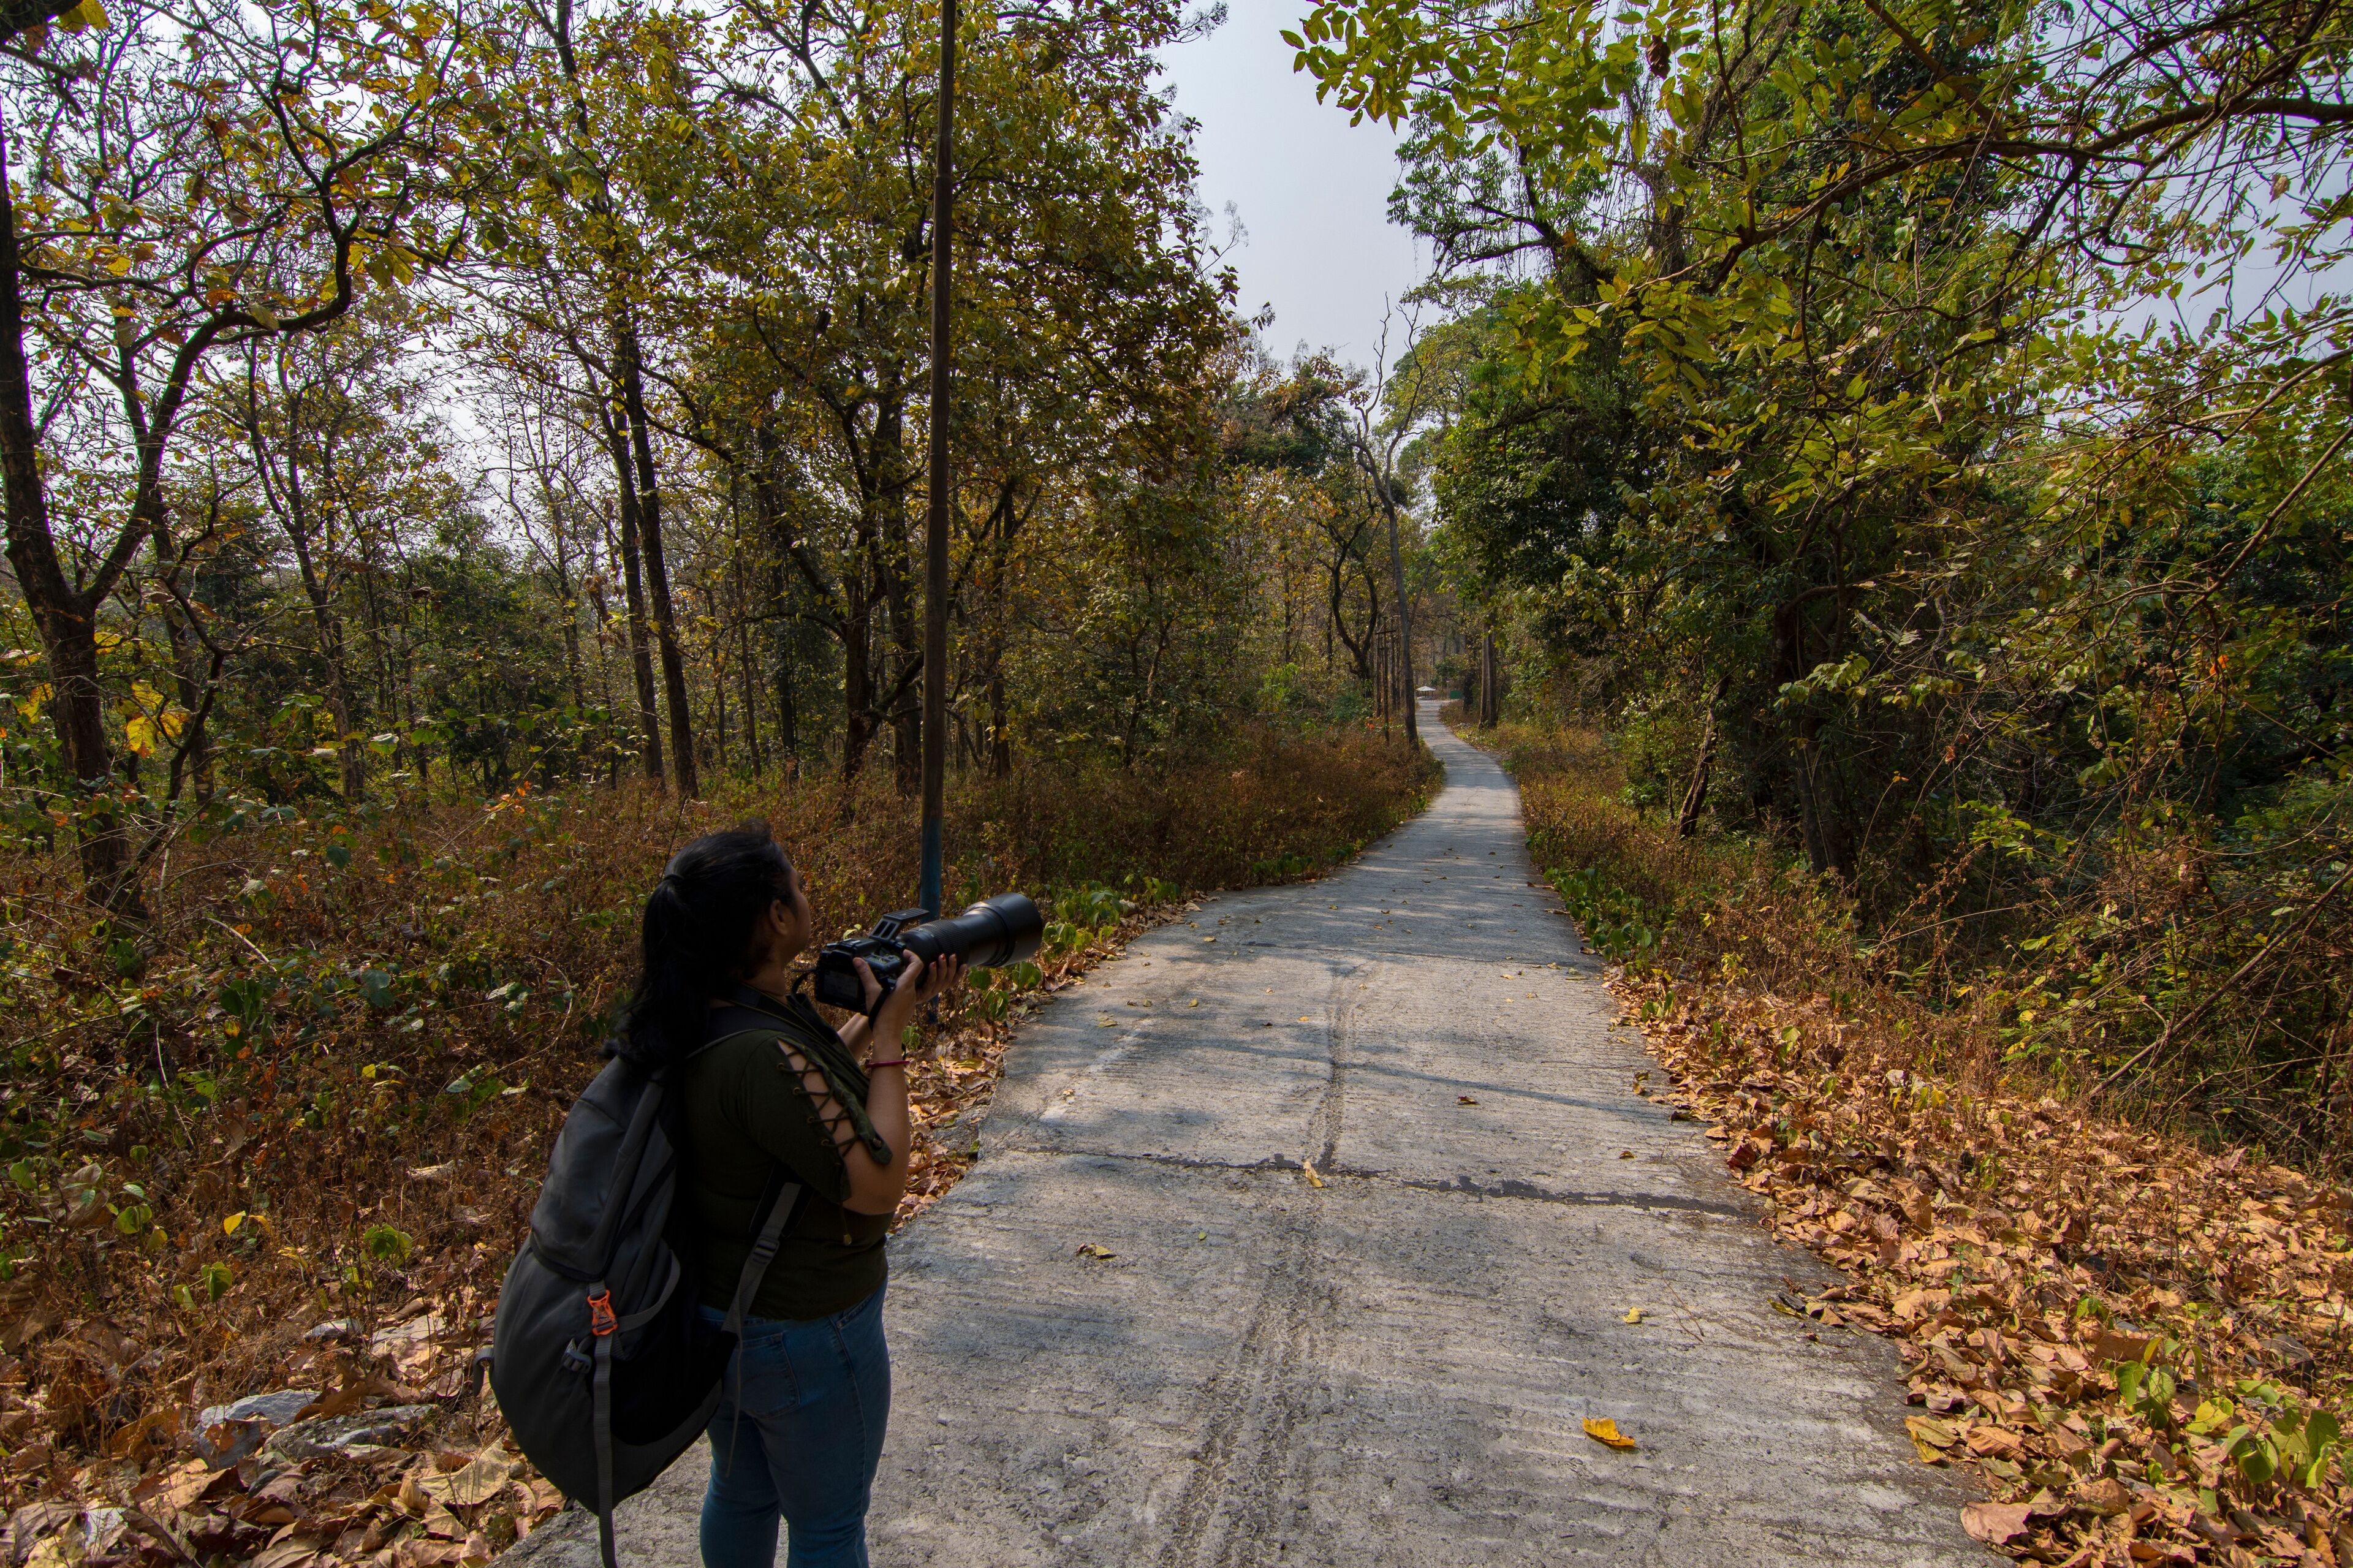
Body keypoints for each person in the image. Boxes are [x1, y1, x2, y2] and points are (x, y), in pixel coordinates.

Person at [614, 821, 964, 1568]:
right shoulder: (759, 1053)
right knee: (829, 1529)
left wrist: (875, 1019)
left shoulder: (709, 1020)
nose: (806, 898)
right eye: (796, 887)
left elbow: (799, 1101)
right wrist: (896, 1044)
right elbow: (878, 1187)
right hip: (807, 1330)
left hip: (724, 1320)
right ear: (775, 917)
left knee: (742, 1496)